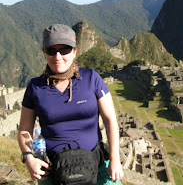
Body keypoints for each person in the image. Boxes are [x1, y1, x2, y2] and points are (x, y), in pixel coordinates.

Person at [18, 24, 123, 184]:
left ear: (75, 51)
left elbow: (110, 120)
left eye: (65, 50)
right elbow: (25, 129)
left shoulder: (91, 78)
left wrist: (115, 158)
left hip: (96, 164)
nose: (58, 56)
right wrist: (28, 157)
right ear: (44, 53)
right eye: (51, 51)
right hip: (53, 170)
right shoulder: (35, 87)